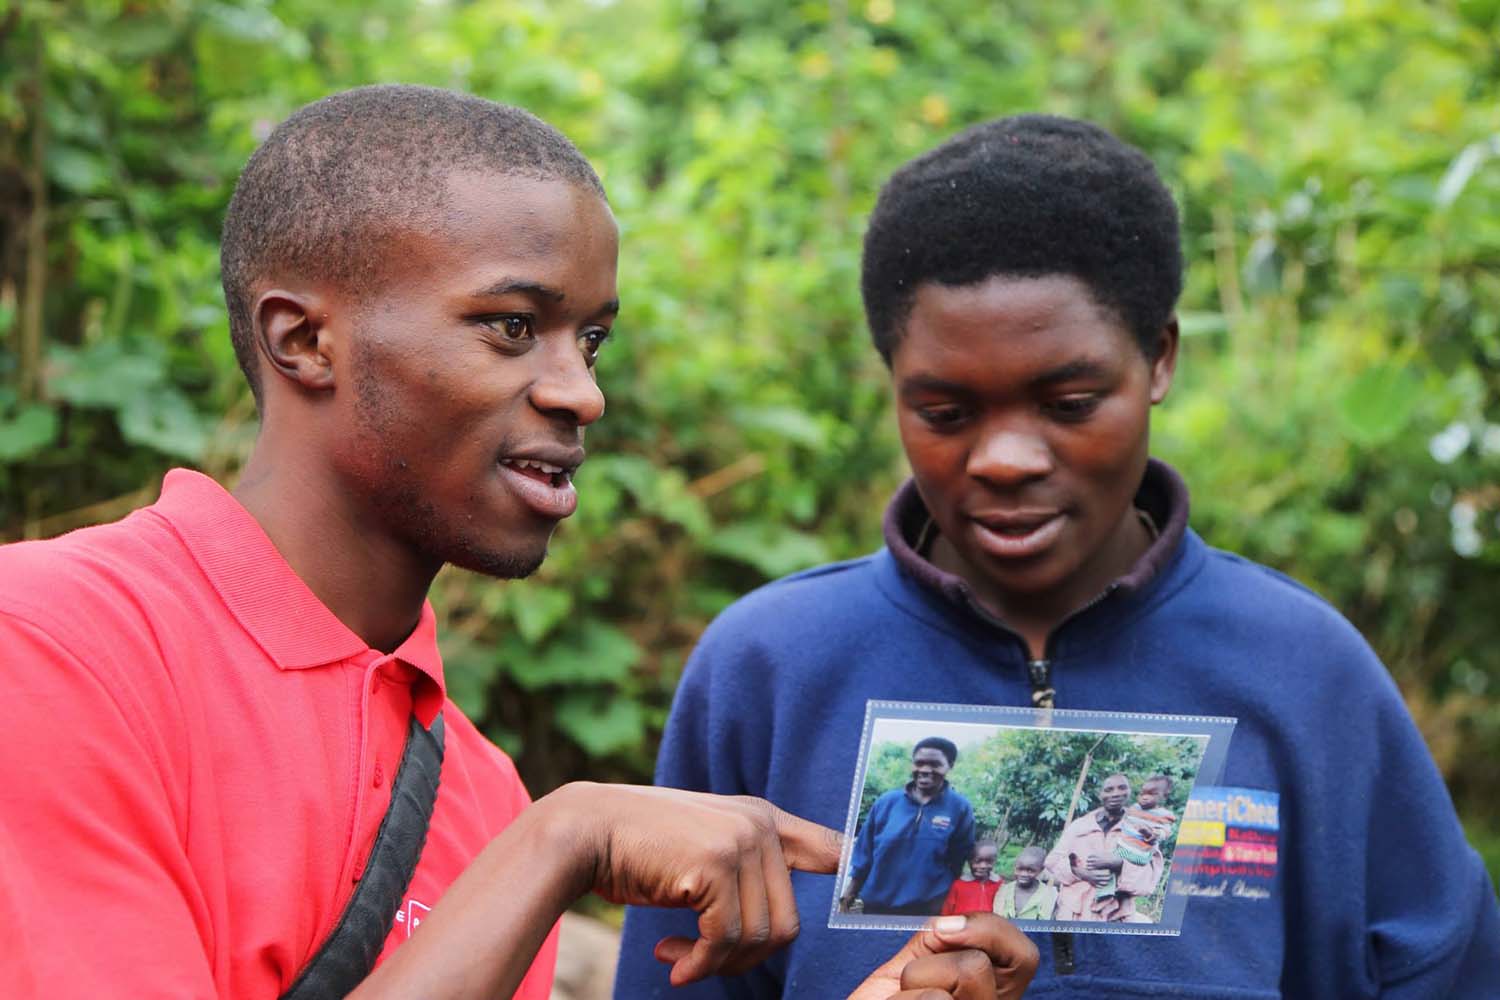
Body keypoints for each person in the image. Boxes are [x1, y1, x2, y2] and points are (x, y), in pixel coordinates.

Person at [0, 86, 1040, 1000]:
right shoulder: (54, 644)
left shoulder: (474, 788)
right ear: (304, 339)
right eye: (510, 326)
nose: (580, 391)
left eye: (590, 338)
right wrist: (560, 838)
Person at [615, 113, 1500, 996]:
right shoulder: (770, 670)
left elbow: (1443, 967)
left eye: (1071, 401)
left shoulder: (1305, 672)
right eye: (945, 413)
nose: (1005, 459)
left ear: (1157, 360)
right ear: (894, 385)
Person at [840, 737, 976, 916]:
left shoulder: (960, 808)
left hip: (929, 909)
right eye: (919, 763)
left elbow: (958, 858)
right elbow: (864, 852)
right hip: (877, 905)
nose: (925, 770)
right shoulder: (886, 802)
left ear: (949, 765)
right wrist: (850, 892)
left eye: (935, 764)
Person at [1044, 774, 1159, 922]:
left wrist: (1119, 864)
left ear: (1130, 792)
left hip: (1116, 916)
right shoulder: (1080, 825)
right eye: (1109, 789)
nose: (1115, 793)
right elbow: (1053, 861)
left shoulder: (1142, 830)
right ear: (1100, 795)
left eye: (1122, 788)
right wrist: (1082, 873)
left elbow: (1149, 878)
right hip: (1074, 912)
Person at [940, 840, 1003, 916]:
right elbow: (947, 910)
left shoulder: (999, 884)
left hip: (989, 925)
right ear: (969, 861)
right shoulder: (959, 885)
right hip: (963, 924)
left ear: (994, 861)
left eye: (989, 861)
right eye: (977, 861)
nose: (983, 866)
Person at [995, 848, 1056, 921]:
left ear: (1041, 869)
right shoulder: (1004, 890)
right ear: (1015, 867)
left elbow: (1045, 923)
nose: (1024, 874)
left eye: (1030, 870)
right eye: (1020, 869)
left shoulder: (1048, 894)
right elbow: (997, 918)